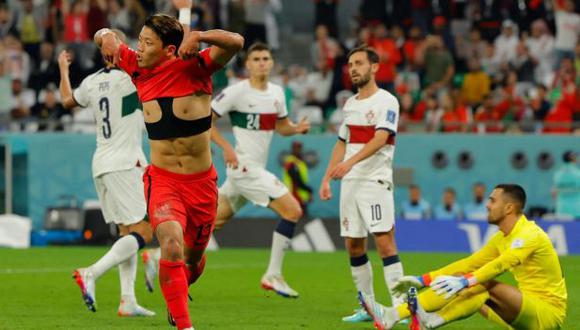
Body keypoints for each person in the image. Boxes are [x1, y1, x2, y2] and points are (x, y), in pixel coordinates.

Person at [95, 1, 244, 328]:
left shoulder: (198, 67)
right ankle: (184, 324)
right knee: (171, 245)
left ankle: (177, 296)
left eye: (148, 42)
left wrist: (202, 34)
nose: (139, 46)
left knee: (190, 261)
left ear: (169, 49)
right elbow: (101, 37)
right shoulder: (136, 66)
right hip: (163, 182)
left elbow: (235, 41)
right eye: (139, 39)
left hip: (202, 186)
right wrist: (105, 34)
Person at [360, 184, 567, 330]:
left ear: (509, 208)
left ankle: (429, 322)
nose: (487, 205)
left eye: (492, 200)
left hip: (547, 315)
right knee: (468, 282)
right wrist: (422, 280)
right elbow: (469, 263)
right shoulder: (502, 237)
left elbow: (503, 264)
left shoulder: (530, 234)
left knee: (480, 284)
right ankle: (393, 315)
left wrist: (465, 281)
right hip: (523, 312)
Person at [58, 30, 155, 317]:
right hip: (126, 163)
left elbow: (66, 101)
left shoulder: (91, 82)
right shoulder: (133, 77)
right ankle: (92, 273)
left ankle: (127, 300)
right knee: (144, 230)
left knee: (127, 231)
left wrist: (63, 70)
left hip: (101, 162)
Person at [210, 42, 310, 298]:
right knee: (293, 210)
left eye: (266, 58)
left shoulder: (277, 93)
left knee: (210, 223)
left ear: (272, 62)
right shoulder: (236, 92)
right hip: (243, 168)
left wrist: (296, 128)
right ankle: (273, 274)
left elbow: (282, 127)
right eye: (256, 59)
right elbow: (205, 120)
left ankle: (159, 256)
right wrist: (226, 147)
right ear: (248, 64)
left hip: (251, 171)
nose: (262, 62)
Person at [319, 46, 404, 323]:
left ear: (375, 67)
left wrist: (350, 163)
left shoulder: (386, 101)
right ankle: (368, 307)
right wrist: (326, 177)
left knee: (384, 243)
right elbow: (341, 142)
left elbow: (380, 139)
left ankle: (401, 307)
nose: (353, 68)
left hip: (374, 181)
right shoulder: (350, 104)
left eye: (359, 63)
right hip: (350, 183)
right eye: (350, 64)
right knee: (354, 245)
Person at [282, 141, 313, 216]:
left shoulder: (299, 162)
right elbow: (296, 180)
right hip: (295, 196)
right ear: (292, 149)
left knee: (300, 222)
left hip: (300, 197)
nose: (298, 150)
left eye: (299, 148)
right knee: (299, 221)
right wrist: (309, 190)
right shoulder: (291, 162)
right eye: (296, 148)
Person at [553, 151, 580, 219]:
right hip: (576, 210)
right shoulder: (578, 174)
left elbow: (554, 193)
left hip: (561, 209)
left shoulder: (557, 174)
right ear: (573, 159)